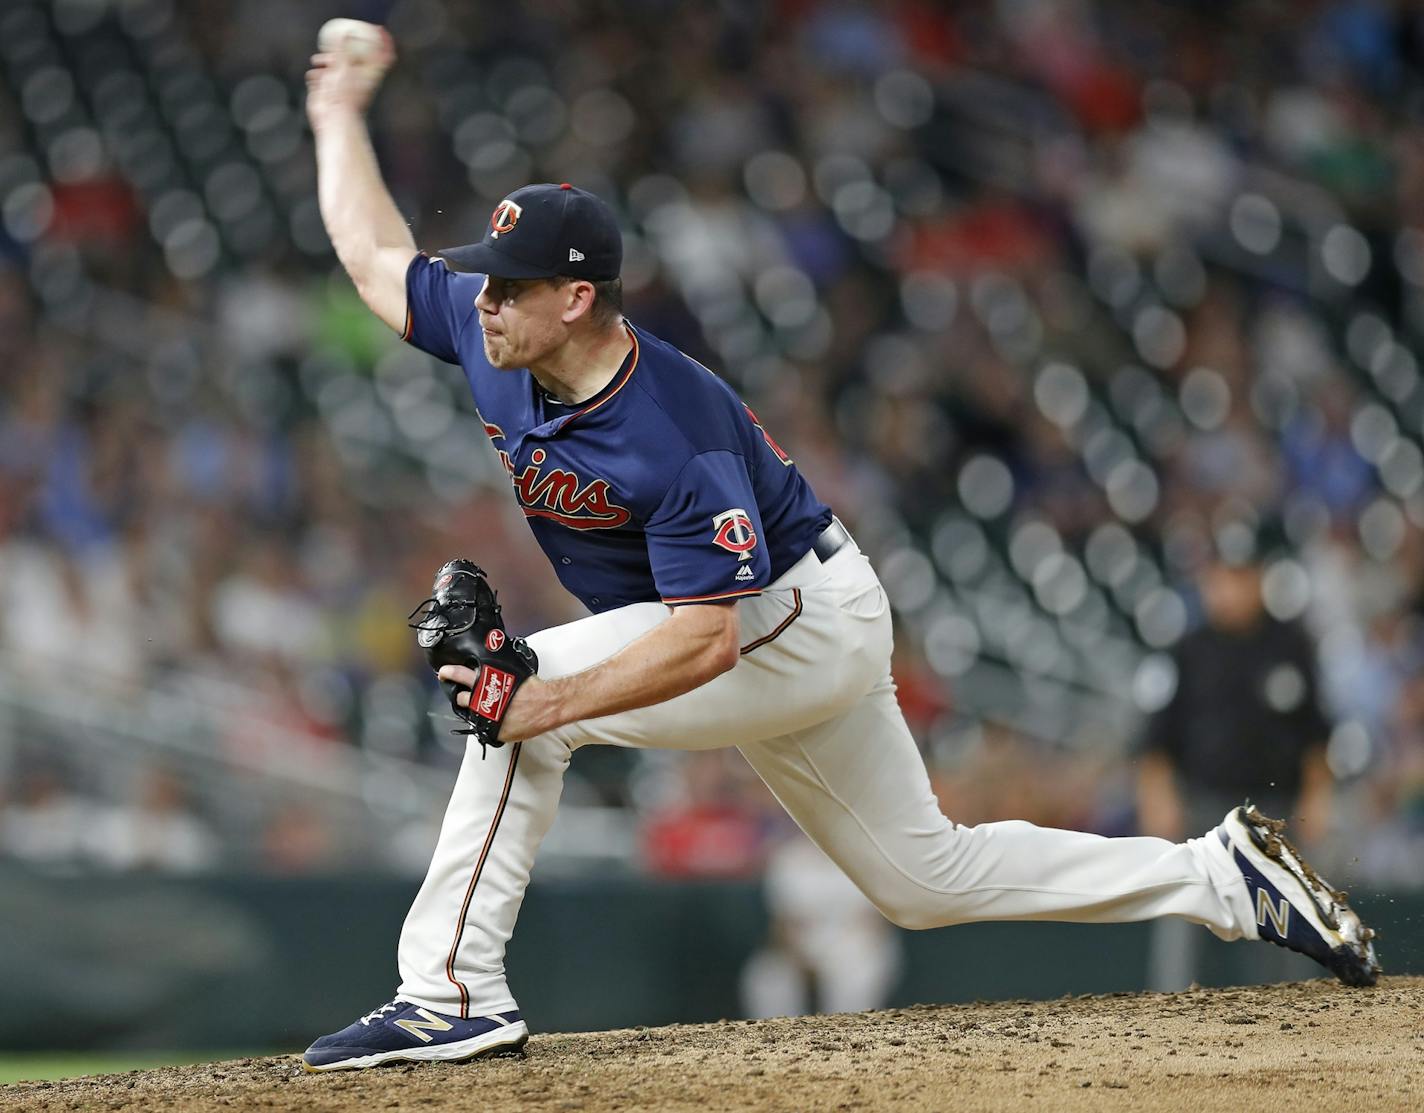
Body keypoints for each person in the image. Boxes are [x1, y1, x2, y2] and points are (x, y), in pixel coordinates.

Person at [299, 29, 1380, 1072]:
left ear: (576, 299)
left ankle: (448, 995)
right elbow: (372, 254)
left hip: (791, 618)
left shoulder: (667, 429)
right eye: (484, 280)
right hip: (775, 616)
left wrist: (533, 700)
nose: (479, 299)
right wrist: (336, 112)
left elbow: (705, 642)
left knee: (518, 702)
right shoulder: (498, 338)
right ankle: (1220, 877)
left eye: (506, 285)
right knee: (923, 877)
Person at [1137, 517, 1334, 988]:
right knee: (1185, 916)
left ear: (1262, 577)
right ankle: (1173, 1013)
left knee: (1286, 922)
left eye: (1243, 574)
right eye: (1223, 574)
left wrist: (1318, 796)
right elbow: (1155, 739)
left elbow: (1316, 733)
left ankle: (1291, 1020)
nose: (1232, 586)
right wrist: (1157, 796)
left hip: (1276, 812)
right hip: (1205, 808)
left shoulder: (1292, 645)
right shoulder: (1188, 649)